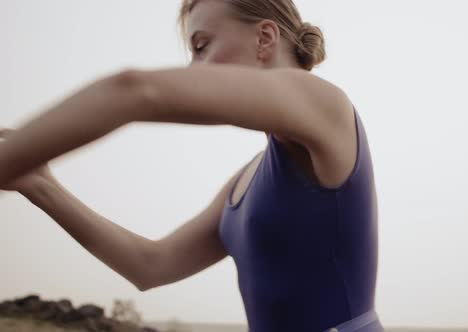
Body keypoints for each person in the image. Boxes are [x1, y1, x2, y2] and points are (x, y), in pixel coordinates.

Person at [0, 0, 383, 331]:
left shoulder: (325, 103)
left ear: (265, 39)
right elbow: (150, 266)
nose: (192, 69)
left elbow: (135, 90)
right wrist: (40, 185)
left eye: (202, 46)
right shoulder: (244, 183)